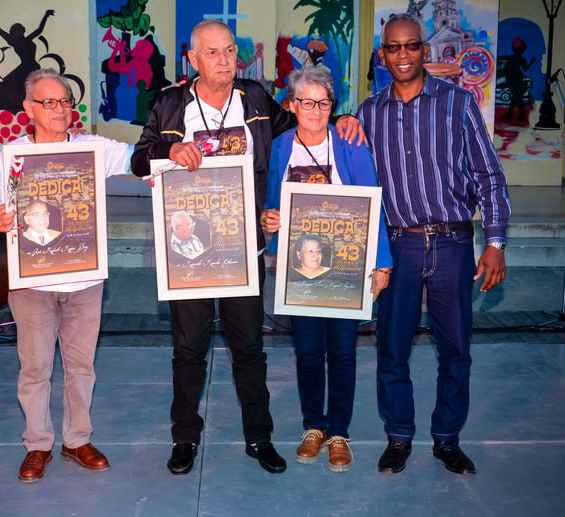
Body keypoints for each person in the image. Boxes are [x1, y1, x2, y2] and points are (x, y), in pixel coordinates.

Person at [131, 19, 365, 475]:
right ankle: (184, 438)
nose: (224, 60)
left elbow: (300, 124)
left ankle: (259, 438)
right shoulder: (170, 104)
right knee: (188, 351)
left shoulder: (254, 98)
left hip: (244, 250)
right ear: (192, 59)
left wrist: (340, 119)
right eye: (212, 52)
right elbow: (139, 159)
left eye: (229, 51)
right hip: (190, 257)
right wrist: (168, 152)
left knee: (250, 350)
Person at [357, 13, 511, 475]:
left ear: (424, 50)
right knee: (392, 349)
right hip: (398, 245)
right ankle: (398, 436)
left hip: (452, 243)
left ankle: (447, 439)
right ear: (382, 55)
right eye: (393, 47)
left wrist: (495, 242)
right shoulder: (368, 113)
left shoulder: (458, 103)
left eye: (411, 46)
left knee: (456, 350)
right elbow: (352, 179)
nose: (402, 55)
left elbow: (488, 175)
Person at [0, 68, 132, 483]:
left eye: (66, 101)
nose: (60, 109)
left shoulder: (92, 150)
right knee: (35, 367)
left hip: (85, 280)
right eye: (49, 102)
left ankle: (77, 440)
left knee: (81, 366)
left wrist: (173, 133)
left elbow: (141, 157)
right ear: (28, 108)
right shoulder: (11, 156)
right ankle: (37, 444)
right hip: (32, 283)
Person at [261, 66, 392, 472]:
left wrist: (382, 263)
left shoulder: (351, 146)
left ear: (333, 106)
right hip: (300, 269)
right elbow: (270, 202)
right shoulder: (280, 147)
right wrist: (269, 219)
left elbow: (373, 205)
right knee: (307, 351)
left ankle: (338, 432)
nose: (316, 111)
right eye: (307, 103)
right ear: (292, 105)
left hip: (347, 267)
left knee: (343, 351)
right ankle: (313, 427)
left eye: (324, 103)